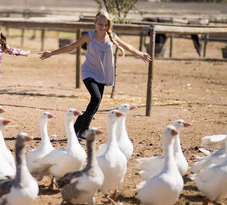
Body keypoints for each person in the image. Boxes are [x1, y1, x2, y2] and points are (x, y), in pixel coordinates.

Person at [39, 11, 151, 139]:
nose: (103, 27)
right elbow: (70, 47)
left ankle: (78, 125)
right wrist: (51, 53)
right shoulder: (89, 36)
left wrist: (141, 53)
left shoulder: (112, 36)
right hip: (89, 71)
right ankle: (83, 131)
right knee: (96, 98)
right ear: (95, 23)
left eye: (105, 24)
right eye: (100, 24)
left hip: (102, 74)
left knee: (95, 105)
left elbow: (128, 46)